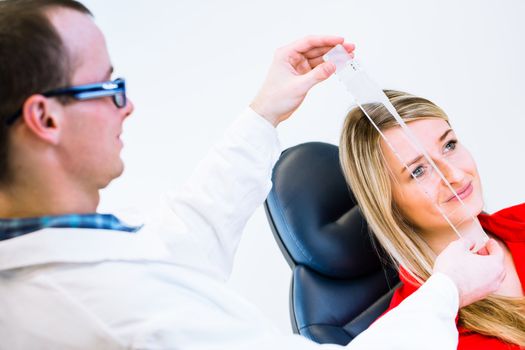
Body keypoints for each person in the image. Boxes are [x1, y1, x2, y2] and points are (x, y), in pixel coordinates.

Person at [0, 1, 506, 349]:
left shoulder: (82, 257)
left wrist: (265, 111)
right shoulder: (103, 310)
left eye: (450, 144)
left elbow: (185, 233)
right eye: (106, 86)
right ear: (46, 118)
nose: (127, 105)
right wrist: (446, 294)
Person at [339, 89, 525, 349]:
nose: (456, 175)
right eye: (418, 171)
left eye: (449, 145)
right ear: (388, 203)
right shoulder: (417, 335)